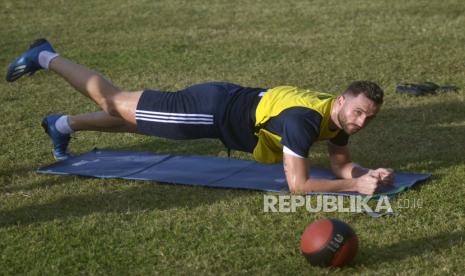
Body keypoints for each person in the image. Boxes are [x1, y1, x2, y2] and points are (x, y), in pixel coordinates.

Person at [6, 39, 394, 195]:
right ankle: (45, 55)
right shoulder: (304, 120)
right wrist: (353, 190)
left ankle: (61, 125)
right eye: (358, 112)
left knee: (135, 120)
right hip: (208, 112)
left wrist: (364, 174)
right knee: (113, 102)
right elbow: (298, 185)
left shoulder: (336, 116)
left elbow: (340, 164)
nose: (360, 123)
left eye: (368, 118)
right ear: (342, 100)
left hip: (221, 102)